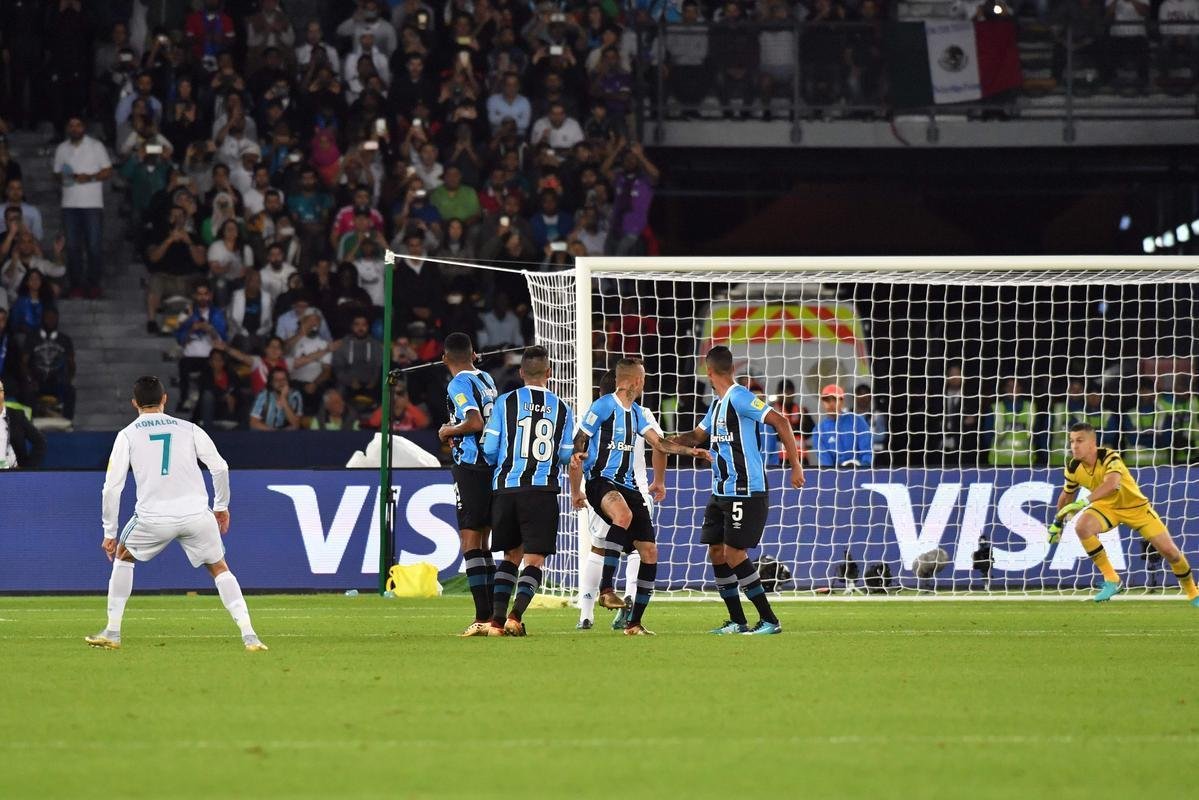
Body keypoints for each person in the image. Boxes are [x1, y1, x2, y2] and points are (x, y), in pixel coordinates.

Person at [87, 376, 266, 651]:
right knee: (219, 568)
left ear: (134, 403)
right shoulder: (189, 429)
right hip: (196, 515)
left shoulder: (127, 435)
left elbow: (112, 488)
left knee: (123, 555)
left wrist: (109, 532)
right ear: (164, 399)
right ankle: (249, 635)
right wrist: (221, 506)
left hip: (153, 518)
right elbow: (220, 467)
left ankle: (112, 632)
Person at [666, 346, 804, 635]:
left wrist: (796, 466)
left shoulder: (739, 397)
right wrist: (661, 440)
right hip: (721, 490)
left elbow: (779, 421)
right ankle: (737, 621)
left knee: (734, 553)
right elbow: (696, 436)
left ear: (709, 370)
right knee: (716, 551)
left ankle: (770, 620)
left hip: (745, 489)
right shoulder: (717, 405)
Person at [570, 359, 707, 635]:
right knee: (623, 516)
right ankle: (606, 590)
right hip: (601, 482)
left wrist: (690, 451)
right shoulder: (604, 405)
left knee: (649, 552)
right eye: (642, 379)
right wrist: (578, 455)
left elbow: (660, 443)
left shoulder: (639, 414)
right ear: (634, 381)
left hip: (631, 487)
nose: (644, 384)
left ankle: (634, 623)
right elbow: (581, 437)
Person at [1048, 422, 1199, 607]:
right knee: (1082, 527)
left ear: (1092, 443)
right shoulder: (1073, 467)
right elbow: (1066, 495)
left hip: (1136, 508)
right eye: (1071, 441)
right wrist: (1057, 522)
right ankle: (1112, 579)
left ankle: (1193, 592)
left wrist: (1085, 501)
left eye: (1079, 441)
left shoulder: (1110, 457)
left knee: (1171, 553)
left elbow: (1111, 484)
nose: (1074, 446)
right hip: (1106, 507)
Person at [480, 346, 575, 636]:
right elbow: (565, 455)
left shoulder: (505, 402)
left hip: (507, 489)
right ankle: (515, 616)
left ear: (521, 373)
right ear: (549, 373)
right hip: (541, 490)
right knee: (534, 559)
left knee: (510, 556)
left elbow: (491, 449)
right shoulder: (562, 407)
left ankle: (496, 621)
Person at [436, 333, 500, 636]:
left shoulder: (458, 383)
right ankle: (490, 615)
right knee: (484, 542)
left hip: (471, 466)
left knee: (471, 541)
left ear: (445, 357)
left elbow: (474, 422)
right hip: (492, 465)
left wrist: (449, 430)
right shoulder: (486, 378)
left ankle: (483, 617)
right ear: (474, 354)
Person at [53, 117, 113, 299]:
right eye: (71, 125)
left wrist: (91, 177)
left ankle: (93, 284)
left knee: (94, 246)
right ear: (67, 128)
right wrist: (65, 178)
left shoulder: (96, 146)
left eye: (78, 125)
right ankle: (76, 285)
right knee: (72, 248)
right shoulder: (61, 148)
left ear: (84, 127)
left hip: (92, 205)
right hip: (69, 205)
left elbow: (108, 171)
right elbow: (56, 173)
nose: (74, 128)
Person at [811, 384, 872, 467]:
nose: (831, 404)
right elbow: (826, 463)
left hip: (860, 473)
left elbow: (867, 452)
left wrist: (862, 468)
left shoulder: (857, 421)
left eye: (835, 399)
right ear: (822, 403)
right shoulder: (818, 430)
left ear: (842, 401)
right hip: (835, 477)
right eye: (827, 400)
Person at [0, 378, 45, 469]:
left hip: (14, 475)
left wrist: (26, 470)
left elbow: (40, 442)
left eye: (0, 390)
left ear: (3, 394)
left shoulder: (16, 416)